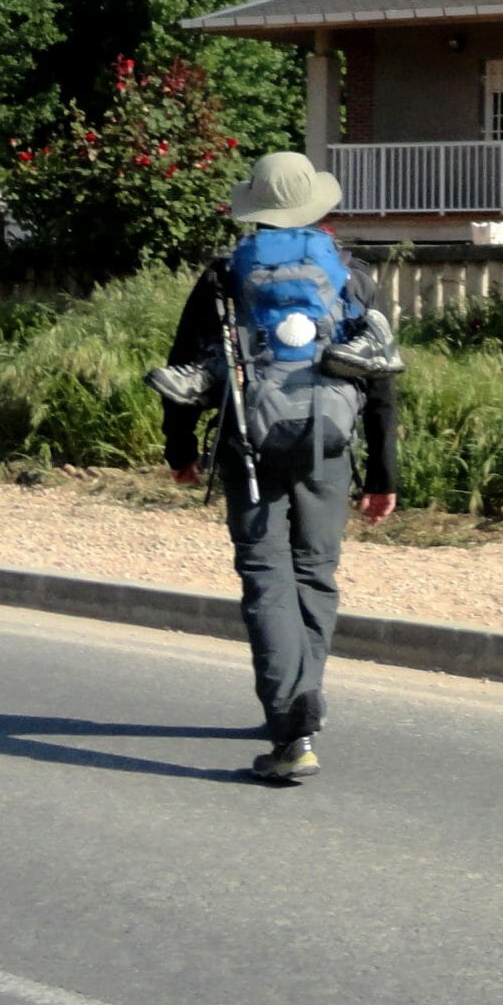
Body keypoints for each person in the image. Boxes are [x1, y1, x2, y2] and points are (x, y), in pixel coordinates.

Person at [148, 150, 403, 784]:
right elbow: (381, 383)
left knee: (266, 576)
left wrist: (178, 450)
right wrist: (384, 474)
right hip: (330, 444)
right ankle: (301, 706)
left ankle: (293, 728)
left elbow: (186, 368)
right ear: (318, 207)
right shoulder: (352, 274)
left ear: (255, 212)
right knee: (316, 572)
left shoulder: (223, 277)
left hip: (249, 444)